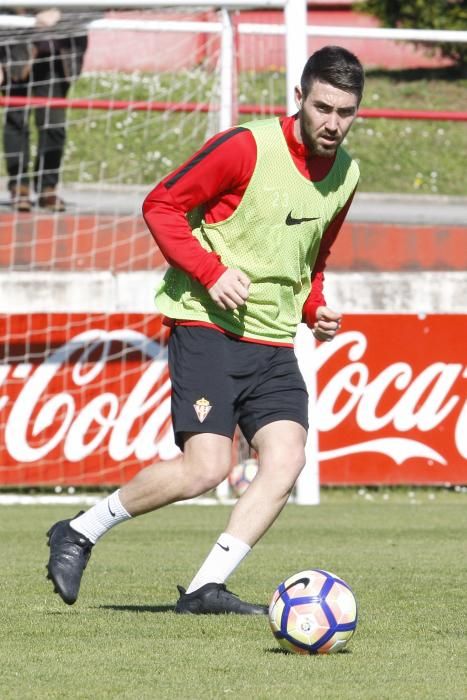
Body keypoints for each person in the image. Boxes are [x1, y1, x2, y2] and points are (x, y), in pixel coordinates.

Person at [46, 45, 365, 614]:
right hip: (207, 325)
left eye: (346, 112)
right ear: (300, 98)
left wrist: (315, 307)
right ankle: (78, 531)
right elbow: (161, 204)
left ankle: (203, 588)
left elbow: (314, 256)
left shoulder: (347, 174)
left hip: (272, 340)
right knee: (207, 468)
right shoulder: (247, 147)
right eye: (323, 108)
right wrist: (211, 272)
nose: (333, 123)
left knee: (286, 459)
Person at [0, 8, 88, 212]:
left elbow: (95, 7)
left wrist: (61, 12)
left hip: (58, 60)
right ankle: (19, 187)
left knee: (54, 125)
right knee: (16, 121)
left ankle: (48, 188)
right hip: (16, 55)